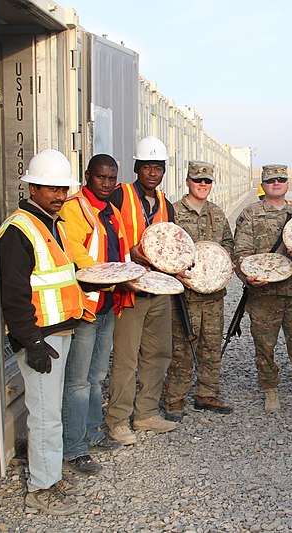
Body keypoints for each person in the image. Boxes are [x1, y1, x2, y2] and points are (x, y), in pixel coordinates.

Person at [0, 149, 87, 515]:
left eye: (62, 189)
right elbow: (12, 292)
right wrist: (31, 341)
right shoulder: (18, 229)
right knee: (45, 413)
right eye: (50, 189)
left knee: (50, 410)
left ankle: (50, 473)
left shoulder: (52, 224)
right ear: (32, 187)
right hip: (40, 337)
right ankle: (41, 487)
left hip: (57, 332)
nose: (59, 195)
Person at [233, 164, 292, 413]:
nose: (277, 183)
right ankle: (270, 389)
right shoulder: (251, 214)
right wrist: (248, 277)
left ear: (287, 183)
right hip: (263, 293)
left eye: (281, 179)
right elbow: (241, 252)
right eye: (271, 180)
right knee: (264, 344)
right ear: (263, 185)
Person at [59, 154, 130, 476]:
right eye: (101, 177)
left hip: (106, 305)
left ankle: (92, 433)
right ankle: (74, 448)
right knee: (77, 381)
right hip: (85, 307)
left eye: (112, 178)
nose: (106, 184)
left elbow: (120, 254)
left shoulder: (111, 212)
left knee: (96, 376)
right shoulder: (74, 209)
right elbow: (77, 255)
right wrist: (110, 276)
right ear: (88, 175)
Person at [105, 136, 179, 444]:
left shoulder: (165, 205)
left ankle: (146, 413)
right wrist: (128, 256)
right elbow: (105, 240)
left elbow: (173, 246)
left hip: (158, 291)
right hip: (129, 291)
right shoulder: (119, 197)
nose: (152, 173)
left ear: (163, 171)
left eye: (158, 167)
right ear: (137, 168)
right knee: (125, 359)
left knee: (158, 353)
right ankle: (118, 420)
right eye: (147, 167)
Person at [161, 161, 235, 421]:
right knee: (182, 347)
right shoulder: (173, 212)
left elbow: (228, 243)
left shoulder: (217, 212)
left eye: (207, 181)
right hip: (185, 295)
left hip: (213, 294)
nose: (202, 185)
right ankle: (174, 398)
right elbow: (164, 248)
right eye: (197, 180)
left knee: (211, 345)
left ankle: (207, 393)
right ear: (188, 181)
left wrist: (226, 258)